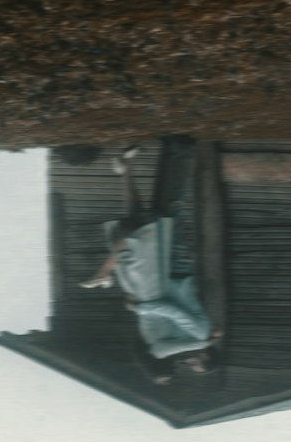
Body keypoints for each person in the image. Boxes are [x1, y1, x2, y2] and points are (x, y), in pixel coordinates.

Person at [79, 141, 223, 363]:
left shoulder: (193, 338)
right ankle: (178, 148)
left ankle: (131, 167)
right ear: (205, 356)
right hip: (174, 271)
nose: (190, 363)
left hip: (170, 276)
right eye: (197, 365)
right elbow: (176, 313)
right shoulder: (200, 337)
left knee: (145, 223)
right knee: (166, 211)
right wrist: (141, 309)